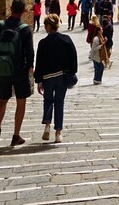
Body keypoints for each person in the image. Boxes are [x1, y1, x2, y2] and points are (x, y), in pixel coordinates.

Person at [0, 0, 34, 147]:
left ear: (10, 8)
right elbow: (30, 53)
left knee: (2, 100)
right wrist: (29, 68)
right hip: (19, 72)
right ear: (24, 11)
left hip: (3, 71)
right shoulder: (25, 29)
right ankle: (16, 135)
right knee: (21, 102)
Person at [34, 13, 78, 144]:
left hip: (47, 78)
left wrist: (38, 80)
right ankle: (58, 133)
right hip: (62, 77)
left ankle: (47, 125)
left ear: (48, 26)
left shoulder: (43, 43)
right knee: (59, 103)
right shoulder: (66, 39)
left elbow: (39, 63)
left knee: (48, 101)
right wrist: (72, 72)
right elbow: (73, 58)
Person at [89, 18, 107, 84]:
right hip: (96, 56)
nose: (102, 30)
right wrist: (102, 45)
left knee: (100, 68)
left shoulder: (100, 36)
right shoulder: (96, 38)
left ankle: (98, 79)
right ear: (98, 31)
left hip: (98, 55)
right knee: (99, 68)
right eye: (101, 29)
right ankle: (96, 79)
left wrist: (103, 42)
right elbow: (94, 48)